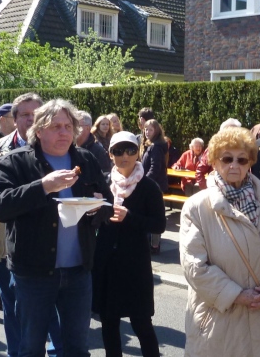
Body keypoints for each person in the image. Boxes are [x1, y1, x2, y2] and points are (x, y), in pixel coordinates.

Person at [0, 99, 114, 356]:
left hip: (78, 271)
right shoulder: (15, 161)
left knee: (77, 348)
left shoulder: (85, 159)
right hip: (33, 272)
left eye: (68, 126)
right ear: (39, 129)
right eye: (56, 126)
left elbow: (107, 203)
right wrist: (43, 186)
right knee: (31, 347)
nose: (64, 132)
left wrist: (97, 208)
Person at [179, 127, 260, 356]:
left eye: (241, 159)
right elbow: (194, 265)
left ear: (250, 163)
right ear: (215, 162)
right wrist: (237, 295)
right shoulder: (197, 207)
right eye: (227, 159)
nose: (234, 165)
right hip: (220, 324)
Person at [0, 93, 62, 357]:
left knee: (53, 311)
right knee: (13, 308)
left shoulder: (59, 149)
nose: (31, 119)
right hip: (7, 243)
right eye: (25, 114)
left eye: (36, 114)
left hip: (50, 246)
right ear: (14, 118)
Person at [92, 132, 166, 357]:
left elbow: (159, 225)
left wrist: (129, 216)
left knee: (141, 323)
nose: (124, 156)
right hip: (106, 262)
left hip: (135, 264)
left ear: (138, 153)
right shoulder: (103, 183)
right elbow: (90, 221)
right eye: (118, 151)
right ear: (110, 154)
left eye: (130, 150)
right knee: (109, 322)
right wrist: (92, 210)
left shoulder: (148, 186)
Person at [141, 119, 168, 253]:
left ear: (156, 131)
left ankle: (154, 245)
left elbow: (155, 168)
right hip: (154, 184)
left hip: (154, 185)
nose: (147, 132)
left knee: (154, 214)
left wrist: (144, 182)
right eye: (146, 129)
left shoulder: (156, 147)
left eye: (150, 130)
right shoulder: (150, 145)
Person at [195, 118, 241, 190]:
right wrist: (207, 189)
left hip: (240, 190)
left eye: (236, 131)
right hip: (218, 190)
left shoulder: (243, 150)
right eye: (229, 131)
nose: (232, 134)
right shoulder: (213, 149)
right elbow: (199, 172)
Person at [77, 111, 112, 175]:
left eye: (77, 126)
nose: (72, 129)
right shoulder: (67, 149)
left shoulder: (98, 151)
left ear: (87, 128)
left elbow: (105, 175)